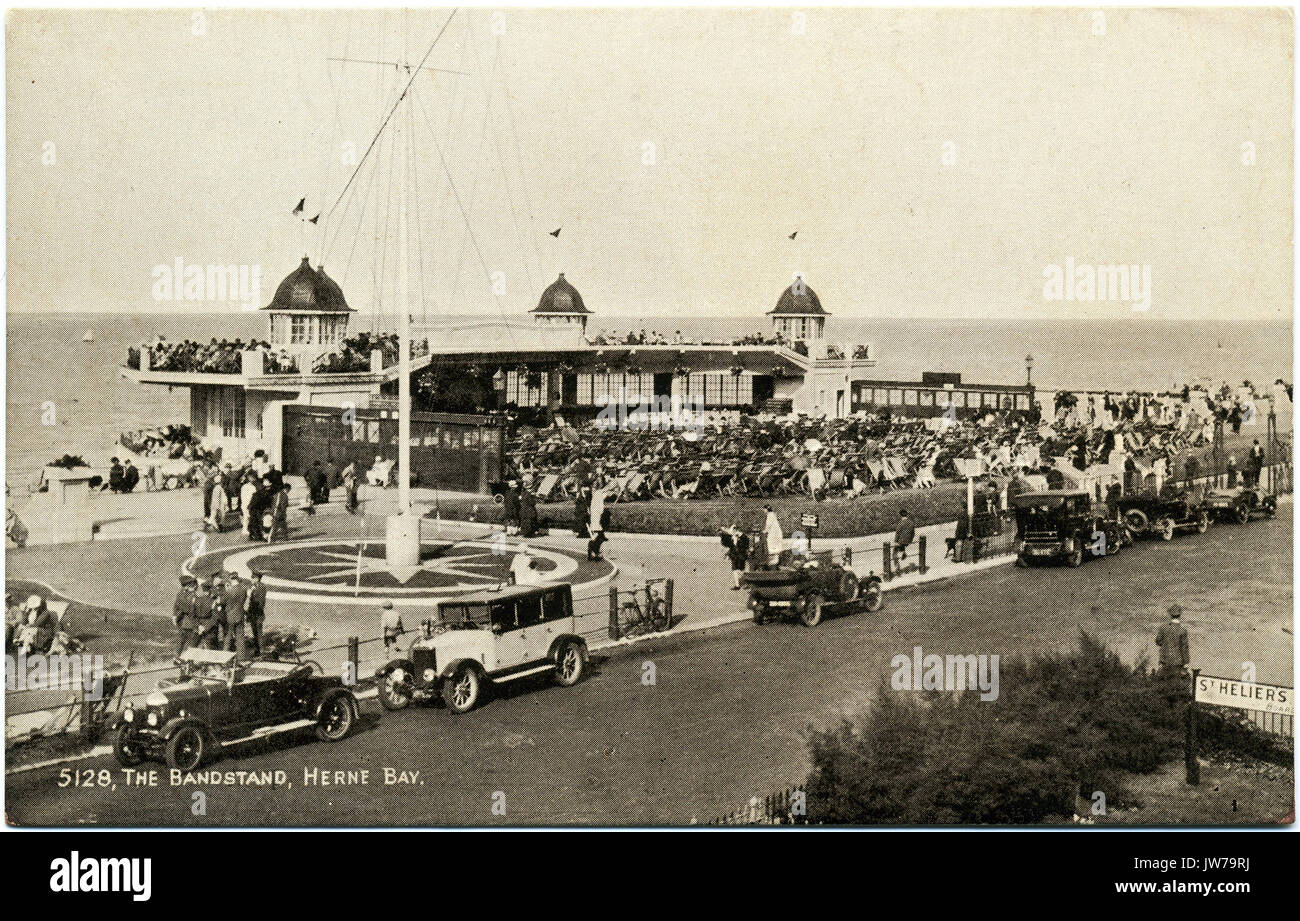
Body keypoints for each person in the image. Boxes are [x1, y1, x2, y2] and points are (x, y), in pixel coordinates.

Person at [1155, 604, 1190, 674]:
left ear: (1170, 615)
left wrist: (1165, 644)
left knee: (1163, 682)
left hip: (1164, 660)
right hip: (1178, 662)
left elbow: (1158, 641)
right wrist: (1186, 663)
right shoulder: (1183, 630)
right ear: (1180, 615)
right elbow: (1184, 648)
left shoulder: (1163, 628)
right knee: (1175, 683)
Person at [222, 572, 248, 660]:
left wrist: (226, 590)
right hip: (240, 614)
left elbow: (223, 602)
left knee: (227, 637)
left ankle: (224, 656)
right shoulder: (244, 589)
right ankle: (241, 657)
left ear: (231, 579)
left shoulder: (229, 591)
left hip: (230, 616)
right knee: (240, 637)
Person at [173, 575, 199, 655]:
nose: (195, 585)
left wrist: (175, 616)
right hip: (190, 622)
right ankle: (188, 661)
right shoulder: (192, 595)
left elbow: (176, 606)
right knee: (192, 643)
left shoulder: (180, 594)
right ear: (187, 585)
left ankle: (177, 657)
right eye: (192, 584)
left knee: (181, 641)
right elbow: (189, 609)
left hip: (182, 622)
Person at [719, 525, 751, 590]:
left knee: (741, 569)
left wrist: (739, 535)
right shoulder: (728, 537)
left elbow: (746, 542)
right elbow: (727, 544)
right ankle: (738, 585)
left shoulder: (742, 536)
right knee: (735, 569)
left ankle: (746, 583)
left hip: (741, 555)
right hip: (735, 555)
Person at [246, 571, 267, 657]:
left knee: (258, 633)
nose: (251, 579)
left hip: (257, 614)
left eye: (253, 578)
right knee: (255, 633)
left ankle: (261, 651)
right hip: (252, 614)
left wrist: (251, 594)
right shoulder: (253, 586)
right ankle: (257, 650)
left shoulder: (261, 587)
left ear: (257, 579)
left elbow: (260, 602)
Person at [587, 488, 609, 561]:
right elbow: (601, 508)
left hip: (595, 517)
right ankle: (593, 552)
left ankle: (593, 553)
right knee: (597, 537)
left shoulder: (596, 496)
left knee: (597, 536)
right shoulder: (598, 495)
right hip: (596, 518)